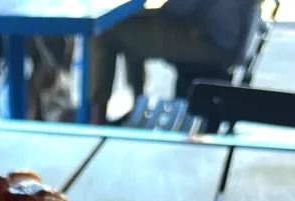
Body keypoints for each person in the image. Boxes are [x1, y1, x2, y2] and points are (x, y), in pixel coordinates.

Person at [90, 0, 261, 124]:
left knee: (105, 31)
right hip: (225, 41)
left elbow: (179, 8)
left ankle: (96, 119)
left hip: (208, 42)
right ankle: (136, 101)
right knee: (127, 23)